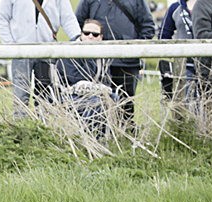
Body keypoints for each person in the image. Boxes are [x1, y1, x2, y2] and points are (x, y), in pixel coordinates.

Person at [75, 0, 155, 130]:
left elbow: (148, 26)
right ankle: (97, 133)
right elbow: (78, 23)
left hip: (127, 62)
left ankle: (125, 133)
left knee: (126, 103)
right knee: (97, 100)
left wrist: (133, 49)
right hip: (96, 62)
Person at [0, 0, 81, 118]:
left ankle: (44, 125)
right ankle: (20, 126)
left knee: (46, 94)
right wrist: (10, 44)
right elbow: (2, 18)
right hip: (21, 51)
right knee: (21, 95)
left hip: (47, 50)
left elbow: (67, 17)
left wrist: (77, 39)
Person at [54, 19, 115, 137]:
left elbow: (106, 79)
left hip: (95, 92)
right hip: (70, 93)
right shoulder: (69, 50)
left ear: (101, 37)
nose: (90, 36)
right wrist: (90, 56)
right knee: (96, 103)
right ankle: (89, 138)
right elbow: (75, 78)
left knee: (114, 98)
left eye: (95, 34)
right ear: (81, 34)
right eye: (86, 33)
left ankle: (105, 137)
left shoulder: (103, 54)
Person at [158, 0, 196, 108]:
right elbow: (163, 36)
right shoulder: (175, 8)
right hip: (184, 65)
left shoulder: (210, 5)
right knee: (185, 103)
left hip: (208, 64)